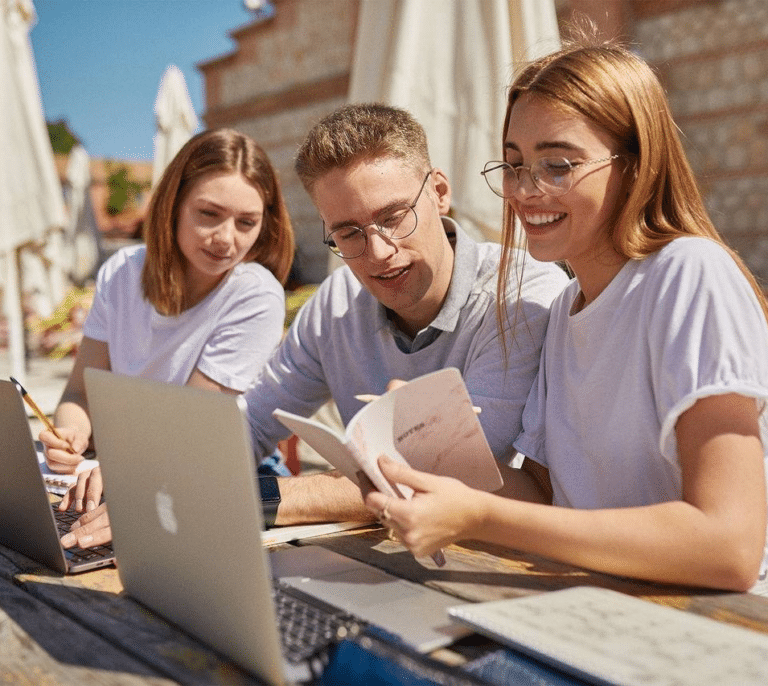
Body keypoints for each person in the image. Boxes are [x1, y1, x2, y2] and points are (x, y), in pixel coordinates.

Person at [364, 34, 768, 594]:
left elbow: (729, 546)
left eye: (558, 165)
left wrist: (481, 516)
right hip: (595, 607)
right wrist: (432, 442)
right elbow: (550, 496)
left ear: (634, 165)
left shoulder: (688, 274)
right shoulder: (563, 309)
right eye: (513, 165)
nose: (526, 191)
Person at [64, 102, 568, 545]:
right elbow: (252, 422)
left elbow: (451, 473)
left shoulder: (523, 297)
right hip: (380, 556)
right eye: (348, 233)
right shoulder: (337, 303)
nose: (378, 253)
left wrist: (233, 499)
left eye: (394, 217)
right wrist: (154, 481)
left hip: (499, 565)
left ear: (438, 192)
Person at [42, 128, 294, 545]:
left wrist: (123, 471)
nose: (227, 238)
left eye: (246, 222)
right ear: (173, 205)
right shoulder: (121, 273)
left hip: (235, 480)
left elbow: (186, 426)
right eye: (209, 214)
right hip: (132, 470)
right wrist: (71, 435)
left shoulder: (256, 294)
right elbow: (79, 395)